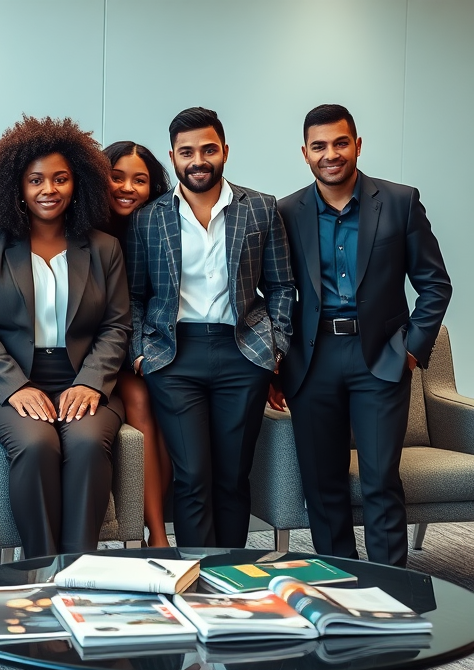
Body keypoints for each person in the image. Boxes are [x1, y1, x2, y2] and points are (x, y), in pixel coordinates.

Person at [271, 104, 451, 568]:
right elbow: (273, 290)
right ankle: (338, 585)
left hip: (381, 358)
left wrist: (411, 352)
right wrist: (274, 357)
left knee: (379, 481)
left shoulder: (399, 201)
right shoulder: (286, 211)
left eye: (340, 143)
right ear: (305, 153)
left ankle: (391, 588)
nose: (331, 154)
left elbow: (435, 284)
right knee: (322, 484)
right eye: (319, 146)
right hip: (312, 362)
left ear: (357, 144)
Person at [127, 107, 294, 549]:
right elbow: (134, 295)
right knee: (192, 475)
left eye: (207, 149)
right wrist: (141, 353)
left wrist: (274, 348)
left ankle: (232, 574)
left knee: (232, 475)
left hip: (243, 353)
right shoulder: (149, 219)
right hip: (174, 357)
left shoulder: (260, 208)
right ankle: (196, 578)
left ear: (224, 151)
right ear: (173, 156)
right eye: (187, 152)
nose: (198, 160)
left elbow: (281, 284)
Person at [0, 116, 130, 559]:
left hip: (83, 379)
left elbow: (117, 326)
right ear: (16, 186)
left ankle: (79, 567)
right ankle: (41, 566)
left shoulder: (103, 247)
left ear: (78, 184)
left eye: (60, 179)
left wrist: (90, 382)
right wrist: (16, 386)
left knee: (88, 442)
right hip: (8, 384)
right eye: (35, 180)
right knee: (37, 443)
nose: (48, 189)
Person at [103, 141, 172, 547]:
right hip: (101, 351)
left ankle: (155, 529)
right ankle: (158, 535)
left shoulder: (159, 228)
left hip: (147, 347)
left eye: (140, 179)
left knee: (168, 407)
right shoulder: (80, 229)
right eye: (117, 176)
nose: (127, 187)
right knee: (143, 403)